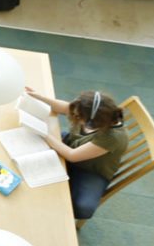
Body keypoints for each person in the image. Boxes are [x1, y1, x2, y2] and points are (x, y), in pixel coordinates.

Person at [25, 88, 129, 221]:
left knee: (83, 208)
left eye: (78, 116)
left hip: (90, 170)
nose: (73, 115)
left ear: (93, 122)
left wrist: (44, 132)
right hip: (71, 145)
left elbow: (72, 156)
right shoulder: (90, 111)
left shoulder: (113, 137)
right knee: (29, 148)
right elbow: (64, 107)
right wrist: (39, 97)